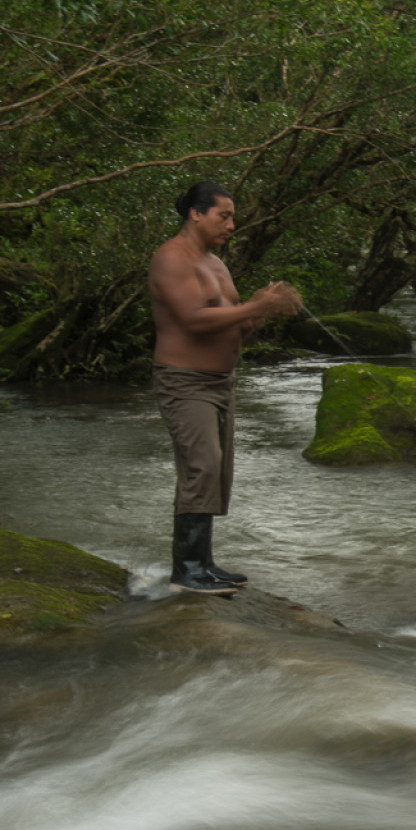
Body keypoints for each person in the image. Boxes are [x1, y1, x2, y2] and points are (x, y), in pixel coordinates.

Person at [148, 181, 302, 594]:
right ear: (196, 214)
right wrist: (256, 307)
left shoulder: (216, 263)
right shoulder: (170, 257)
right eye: (224, 216)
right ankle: (187, 570)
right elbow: (193, 320)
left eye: (233, 217)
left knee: (218, 471)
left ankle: (205, 562)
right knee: (202, 464)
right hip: (184, 380)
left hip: (222, 381)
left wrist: (258, 313)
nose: (232, 225)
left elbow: (235, 324)